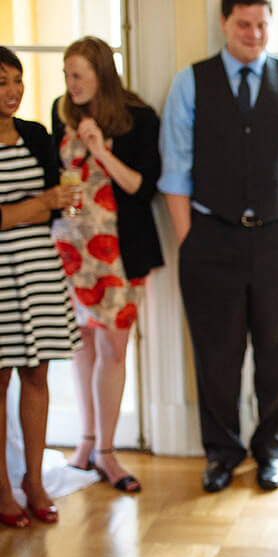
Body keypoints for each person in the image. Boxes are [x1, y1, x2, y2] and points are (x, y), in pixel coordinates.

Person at [159, 0, 278, 493]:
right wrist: (190, 239)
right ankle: (222, 453)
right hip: (210, 239)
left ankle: (272, 447)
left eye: (261, 25)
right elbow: (175, 171)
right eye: (243, 24)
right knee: (216, 354)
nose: (254, 34)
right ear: (224, 24)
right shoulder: (190, 83)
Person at [50, 36, 163, 493]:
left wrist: (101, 151)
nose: (70, 84)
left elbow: (143, 186)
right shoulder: (61, 113)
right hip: (69, 253)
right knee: (82, 347)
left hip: (119, 252)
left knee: (114, 350)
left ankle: (109, 453)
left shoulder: (138, 117)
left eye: (78, 74)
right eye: (66, 74)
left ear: (101, 73)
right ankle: (87, 442)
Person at [0, 46, 80, 526]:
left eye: (17, 80)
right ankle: (2, 487)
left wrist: (45, 204)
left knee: (37, 375)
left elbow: (56, 205)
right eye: (1, 82)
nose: (12, 92)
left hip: (38, 269)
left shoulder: (34, 134)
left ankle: (33, 479)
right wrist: (40, 202)